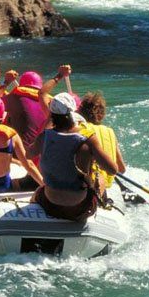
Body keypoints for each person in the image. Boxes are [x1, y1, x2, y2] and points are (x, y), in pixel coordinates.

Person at [27, 92, 118, 223]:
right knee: (101, 177)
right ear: (73, 112)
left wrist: (47, 125)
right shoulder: (89, 139)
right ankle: (103, 204)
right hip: (80, 207)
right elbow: (113, 170)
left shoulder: (44, 137)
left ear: (52, 115)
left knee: (39, 191)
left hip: (51, 204)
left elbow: (28, 154)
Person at [78, 91, 127, 189]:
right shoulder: (110, 132)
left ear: (81, 112)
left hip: (86, 185)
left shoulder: (80, 128)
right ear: (102, 114)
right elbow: (121, 169)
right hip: (105, 186)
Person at [3, 70, 49, 148]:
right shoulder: (49, 103)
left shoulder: (13, 98)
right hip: (41, 151)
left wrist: (6, 82)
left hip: (20, 151)